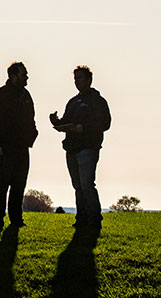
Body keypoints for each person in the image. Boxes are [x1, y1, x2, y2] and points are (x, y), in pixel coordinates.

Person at [50, 65, 111, 228]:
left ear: (89, 80)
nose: (77, 81)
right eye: (75, 78)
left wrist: (83, 128)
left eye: (80, 78)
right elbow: (67, 121)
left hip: (88, 148)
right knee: (78, 186)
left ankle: (94, 219)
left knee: (87, 185)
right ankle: (82, 219)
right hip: (72, 148)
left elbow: (105, 123)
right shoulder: (73, 102)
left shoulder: (97, 101)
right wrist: (57, 122)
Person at [0, 62, 39, 228]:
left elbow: (31, 119)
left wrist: (32, 136)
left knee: (19, 184)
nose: (27, 77)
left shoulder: (26, 96)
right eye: (24, 74)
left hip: (22, 148)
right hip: (4, 148)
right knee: (2, 184)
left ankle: (16, 220)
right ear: (13, 76)